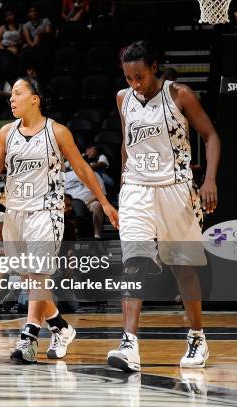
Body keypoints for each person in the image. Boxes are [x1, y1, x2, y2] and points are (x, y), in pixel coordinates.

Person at [0, 77, 118, 363]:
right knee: (30, 278)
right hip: (15, 213)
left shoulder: (57, 132)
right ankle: (60, 327)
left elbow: (83, 170)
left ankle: (28, 337)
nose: (11, 99)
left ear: (35, 98)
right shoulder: (6, 133)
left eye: (17, 93)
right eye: (10, 94)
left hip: (46, 211)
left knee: (38, 275)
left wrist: (104, 201)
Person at [107, 41, 220, 372]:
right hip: (137, 191)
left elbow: (211, 135)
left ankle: (197, 336)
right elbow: (128, 143)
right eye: (129, 78)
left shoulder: (179, 95)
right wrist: (125, 184)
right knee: (134, 264)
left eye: (139, 76)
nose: (135, 84)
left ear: (154, 67)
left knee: (182, 268)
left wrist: (210, 180)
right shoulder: (122, 98)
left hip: (176, 190)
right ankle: (129, 345)